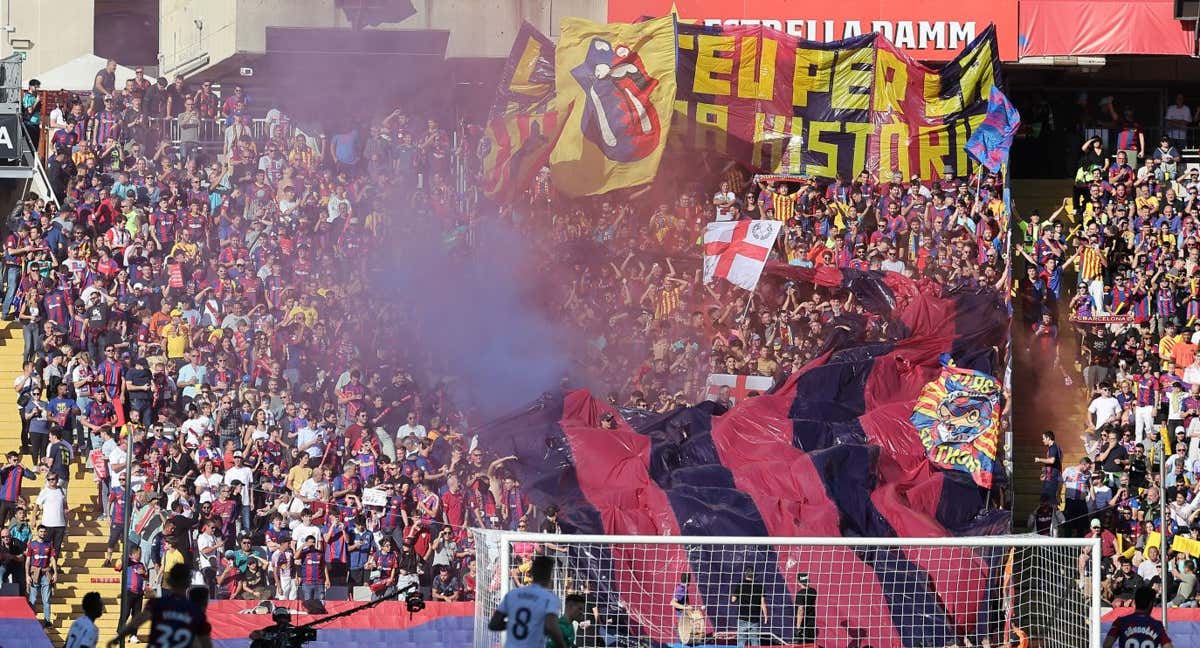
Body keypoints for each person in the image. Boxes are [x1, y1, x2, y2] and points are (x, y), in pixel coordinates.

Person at [109, 564, 211, 648]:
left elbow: (137, 621)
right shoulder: (196, 612)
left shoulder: (157, 604)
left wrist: (118, 637)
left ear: (170, 581)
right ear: (188, 583)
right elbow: (205, 642)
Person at [488, 555, 567, 648]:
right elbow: (551, 626)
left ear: (532, 573)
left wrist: (514, 623)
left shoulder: (512, 595)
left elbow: (494, 624)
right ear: (550, 574)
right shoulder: (549, 598)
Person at [1103, 585, 1173, 647]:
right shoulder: (1157, 625)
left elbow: (1107, 644)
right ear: (1151, 604)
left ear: (1135, 602)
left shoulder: (1120, 622)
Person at [26, 525, 55, 627]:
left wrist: (55, 573)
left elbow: (52, 559)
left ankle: (47, 621)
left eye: (44, 532)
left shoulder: (49, 544)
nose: (42, 533)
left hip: (46, 573)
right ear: (37, 532)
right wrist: (27, 575)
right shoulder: (32, 544)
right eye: (41, 531)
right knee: (32, 599)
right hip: (35, 573)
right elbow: (28, 561)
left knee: (46, 600)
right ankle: (31, 619)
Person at [731, 570, 766, 648]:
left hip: (742, 617)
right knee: (755, 640)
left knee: (741, 641)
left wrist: (737, 594)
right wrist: (766, 616)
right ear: (754, 575)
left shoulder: (741, 585)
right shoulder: (759, 586)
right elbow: (763, 603)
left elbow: (733, 600)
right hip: (755, 618)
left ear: (745, 575)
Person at [1035, 430, 1063, 499]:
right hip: (1051, 477)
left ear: (1048, 438)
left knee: (1047, 500)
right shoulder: (1056, 447)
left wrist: (1039, 459)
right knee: (1048, 500)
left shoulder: (1053, 447)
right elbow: (1058, 461)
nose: (1043, 440)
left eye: (1044, 438)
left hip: (1052, 479)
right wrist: (1045, 472)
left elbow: (1051, 461)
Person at [793, 572, 817, 645]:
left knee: (801, 645)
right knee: (810, 644)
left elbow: (800, 611)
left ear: (799, 582)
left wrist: (798, 628)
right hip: (811, 624)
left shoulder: (800, 594)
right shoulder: (813, 591)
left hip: (803, 625)